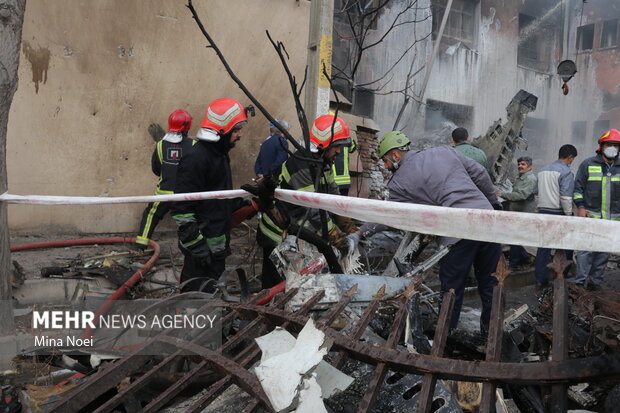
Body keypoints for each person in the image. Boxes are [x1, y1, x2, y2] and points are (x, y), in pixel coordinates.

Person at [376, 130, 501, 332]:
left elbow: (388, 215)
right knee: (491, 282)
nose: (385, 166)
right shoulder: (445, 151)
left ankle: (443, 335)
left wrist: (361, 231)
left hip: (456, 230)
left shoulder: (398, 183)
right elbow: (480, 174)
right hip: (488, 221)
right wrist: (493, 204)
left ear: (395, 155)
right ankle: (491, 333)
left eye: (385, 161)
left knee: (452, 286)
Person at [256, 114, 359, 289]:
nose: (339, 151)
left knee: (291, 285)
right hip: (276, 233)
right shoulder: (302, 165)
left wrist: (350, 227)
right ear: (324, 144)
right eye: (336, 147)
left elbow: (334, 199)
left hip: (294, 232)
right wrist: (340, 240)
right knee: (275, 287)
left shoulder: (322, 163)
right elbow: (314, 213)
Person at [171, 98, 251, 292]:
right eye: (236, 130)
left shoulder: (219, 155)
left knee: (212, 301)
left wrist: (249, 204)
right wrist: (197, 247)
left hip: (216, 251)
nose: (239, 135)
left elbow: (218, 202)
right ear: (222, 130)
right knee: (194, 302)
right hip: (200, 254)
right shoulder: (196, 158)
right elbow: (181, 209)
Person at [134, 109, 193, 250]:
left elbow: (156, 169)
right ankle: (193, 246)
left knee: (151, 214)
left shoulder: (160, 145)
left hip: (164, 192)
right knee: (190, 220)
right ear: (188, 126)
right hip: (185, 193)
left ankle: (140, 246)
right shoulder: (193, 145)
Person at [573, 129, 620, 290]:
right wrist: (580, 207)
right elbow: (577, 189)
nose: (613, 147)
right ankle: (579, 283)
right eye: (609, 144)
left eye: (616, 145)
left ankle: (595, 283)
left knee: (603, 251)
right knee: (585, 251)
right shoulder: (588, 164)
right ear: (601, 146)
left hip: (612, 220)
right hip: (591, 216)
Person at [534, 144, 578, 287]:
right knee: (566, 245)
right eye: (572, 159)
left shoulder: (542, 170)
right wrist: (569, 214)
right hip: (558, 212)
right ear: (570, 157)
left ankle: (541, 279)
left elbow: (535, 191)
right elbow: (566, 196)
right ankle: (562, 275)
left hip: (543, 211)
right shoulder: (566, 172)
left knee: (543, 247)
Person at [496, 156, 537, 269]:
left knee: (515, 238)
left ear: (530, 167)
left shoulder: (530, 179)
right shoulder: (521, 177)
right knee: (515, 237)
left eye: (523, 164)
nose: (520, 166)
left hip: (523, 213)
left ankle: (514, 264)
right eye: (519, 164)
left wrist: (503, 195)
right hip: (517, 212)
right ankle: (524, 257)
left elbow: (522, 195)